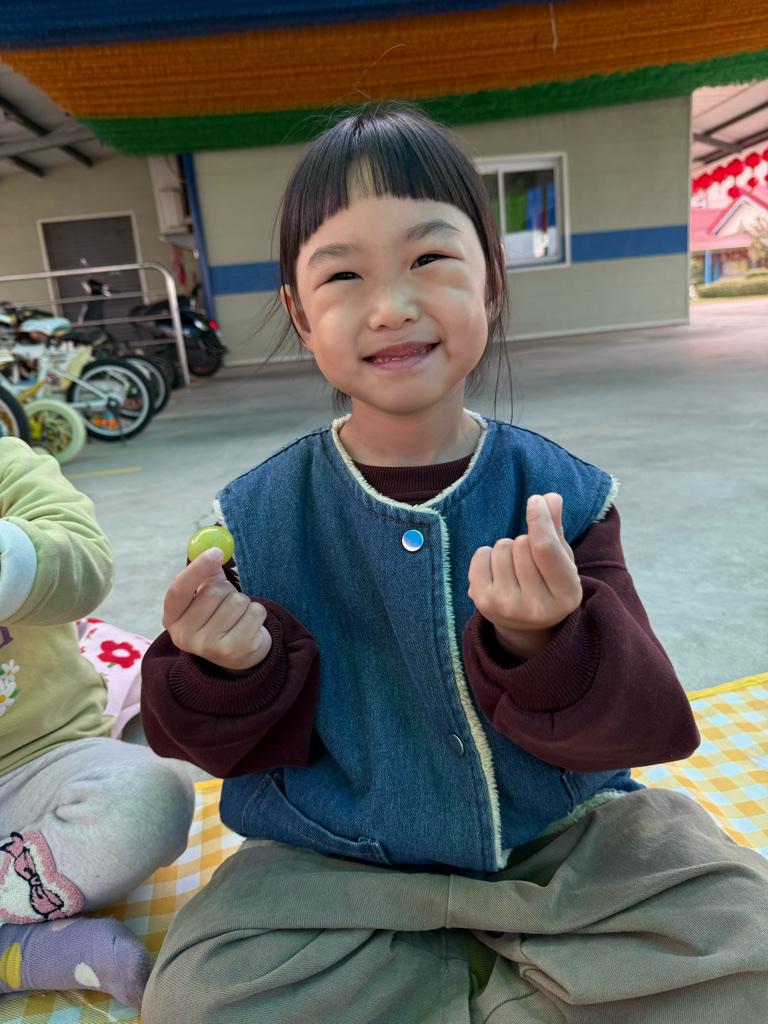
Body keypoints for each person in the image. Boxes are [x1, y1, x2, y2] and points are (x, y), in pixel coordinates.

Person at [140, 106, 768, 1023]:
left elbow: (639, 723)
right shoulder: (252, 520)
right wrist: (222, 668)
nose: (391, 305)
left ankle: (473, 986)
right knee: (197, 1000)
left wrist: (544, 644)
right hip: (332, 862)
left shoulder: (565, 496)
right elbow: (206, 745)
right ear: (300, 315)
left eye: (430, 259)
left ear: (492, 282)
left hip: (561, 842)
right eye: (343, 274)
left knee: (748, 945)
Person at [0, 438, 195, 1009]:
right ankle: (21, 954)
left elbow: (83, 561)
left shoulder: (8, 466)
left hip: (39, 765)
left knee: (151, 795)